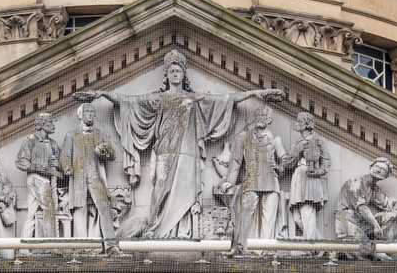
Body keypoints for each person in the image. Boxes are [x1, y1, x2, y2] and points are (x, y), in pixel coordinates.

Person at [74, 49, 284, 238]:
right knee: (161, 189)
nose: (176, 74)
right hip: (165, 152)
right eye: (172, 71)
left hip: (188, 154)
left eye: (179, 71)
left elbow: (226, 99)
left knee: (187, 193)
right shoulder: (159, 99)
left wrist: (257, 93)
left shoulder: (194, 99)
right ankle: (158, 228)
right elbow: (127, 101)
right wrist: (101, 94)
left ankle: (183, 231)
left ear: (184, 74)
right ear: (167, 74)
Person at [221, 106, 286, 255]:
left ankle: (266, 251)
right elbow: (236, 162)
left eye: (265, 115)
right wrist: (229, 181)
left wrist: (280, 167)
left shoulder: (275, 140)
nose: (261, 117)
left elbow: (285, 160)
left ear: (269, 120)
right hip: (251, 182)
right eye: (258, 114)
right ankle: (240, 247)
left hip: (271, 182)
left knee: (269, 219)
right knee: (245, 216)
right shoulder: (243, 137)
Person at [61, 103, 122, 254]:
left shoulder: (100, 134)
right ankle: (82, 246)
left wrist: (105, 151)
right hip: (78, 179)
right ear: (80, 115)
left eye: (93, 112)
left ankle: (110, 245)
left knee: (104, 209)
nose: (91, 114)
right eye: (87, 111)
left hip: (96, 179)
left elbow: (113, 154)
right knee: (79, 210)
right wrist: (67, 167)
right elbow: (65, 155)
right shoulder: (71, 135)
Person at [337, 157, 397, 242]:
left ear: (385, 176)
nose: (378, 170)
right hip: (348, 223)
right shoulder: (355, 182)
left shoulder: (374, 189)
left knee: (391, 215)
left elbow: (388, 204)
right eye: (377, 167)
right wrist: (376, 226)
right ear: (371, 167)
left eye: (383, 170)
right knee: (366, 250)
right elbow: (362, 208)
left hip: (361, 223)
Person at [282, 112, 330, 240]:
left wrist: (317, 171)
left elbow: (326, 164)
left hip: (310, 179)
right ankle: (319, 245)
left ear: (307, 124)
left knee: (307, 212)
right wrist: (297, 151)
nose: (297, 124)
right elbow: (287, 163)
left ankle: (312, 247)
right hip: (298, 177)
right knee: (297, 216)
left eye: (299, 121)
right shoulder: (298, 143)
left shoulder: (318, 141)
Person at [16, 113, 62, 238]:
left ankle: (23, 247)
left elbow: (61, 164)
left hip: (47, 179)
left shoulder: (53, 144)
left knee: (32, 212)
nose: (53, 126)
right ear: (42, 124)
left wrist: (56, 166)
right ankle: (51, 244)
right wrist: (41, 168)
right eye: (50, 122)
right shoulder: (30, 141)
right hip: (37, 178)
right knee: (49, 209)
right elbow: (21, 161)